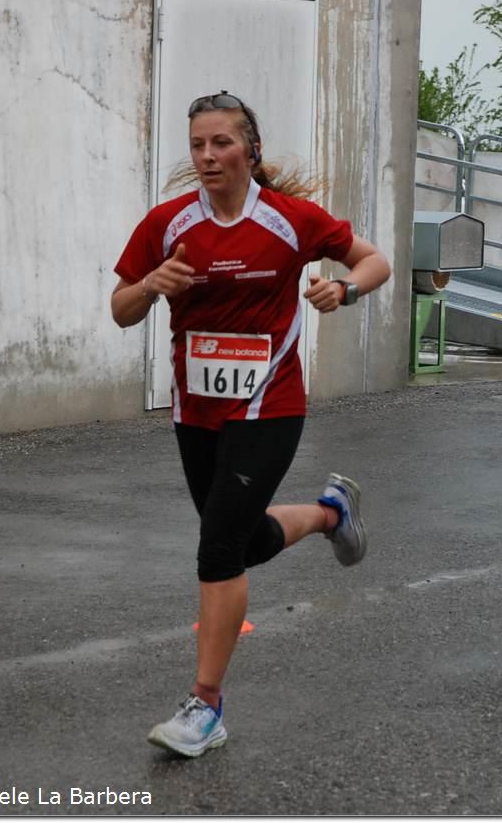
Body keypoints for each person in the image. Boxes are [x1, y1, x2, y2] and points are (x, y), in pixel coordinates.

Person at [110, 91, 391, 755]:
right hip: (196, 409)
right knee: (243, 543)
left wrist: (344, 288)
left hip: (270, 405)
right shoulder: (168, 225)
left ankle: (205, 706)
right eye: (198, 145)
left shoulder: (291, 220)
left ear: (251, 150)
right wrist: (151, 286)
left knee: (217, 547)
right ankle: (329, 513)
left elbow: (374, 260)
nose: (208, 156)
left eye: (222, 143)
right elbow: (121, 309)